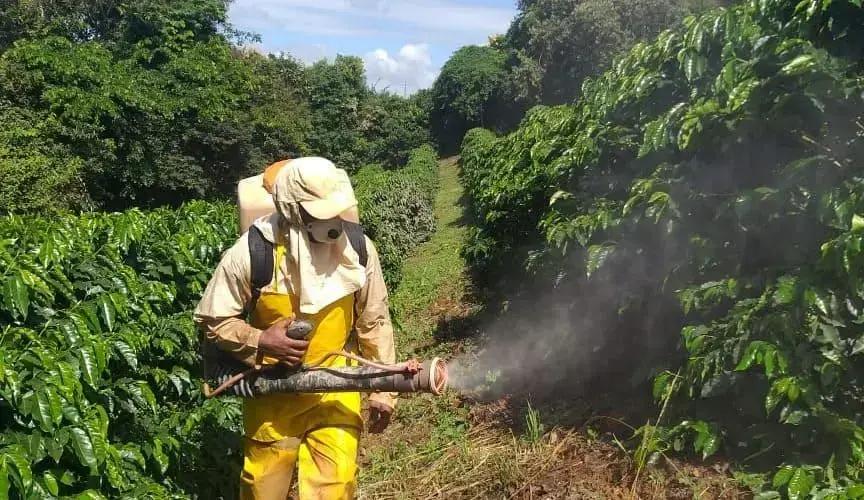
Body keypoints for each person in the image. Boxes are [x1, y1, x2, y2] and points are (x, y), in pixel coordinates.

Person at [194, 157, 397, 500]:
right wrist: (260, 340)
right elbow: (214, 322)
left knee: (336, 486)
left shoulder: (358, 249)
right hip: (273, 393)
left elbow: (373, 319)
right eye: (320, 214)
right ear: (292, 211)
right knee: (263, 490)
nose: (332, 223)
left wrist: (384, 388)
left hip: (337, 386)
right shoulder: (252, 252)